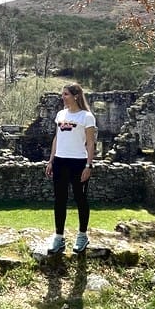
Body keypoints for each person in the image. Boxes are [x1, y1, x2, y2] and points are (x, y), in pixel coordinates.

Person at [44, 83, 97, 254]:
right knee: (60, 200)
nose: (62, 97)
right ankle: (59, 237)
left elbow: (90, 143)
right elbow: (56, 138)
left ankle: (82, 235)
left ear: (76, 96)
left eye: (65, 94)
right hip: (60, 161)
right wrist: (51, 161)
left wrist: (88, 165)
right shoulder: (61, 114)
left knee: (80, 198)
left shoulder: (86, 117)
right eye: (63, 94)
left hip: (78, 163)